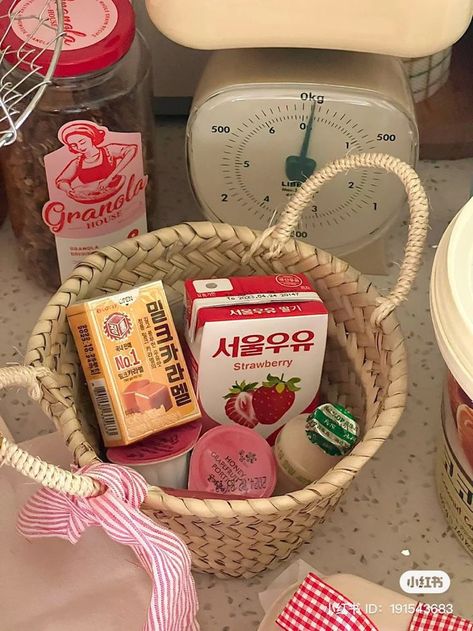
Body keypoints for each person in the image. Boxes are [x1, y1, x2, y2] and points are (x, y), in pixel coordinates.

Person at [55, 122, 138, 202]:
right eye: (73, 145)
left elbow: (131, 150)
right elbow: (61, 181)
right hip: (88, 202)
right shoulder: (77, 163)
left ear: (92, 137)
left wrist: (110, 178)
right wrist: (68, 190)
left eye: (82, 142)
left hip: (118, 193)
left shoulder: (108, 151)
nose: (79, 147)